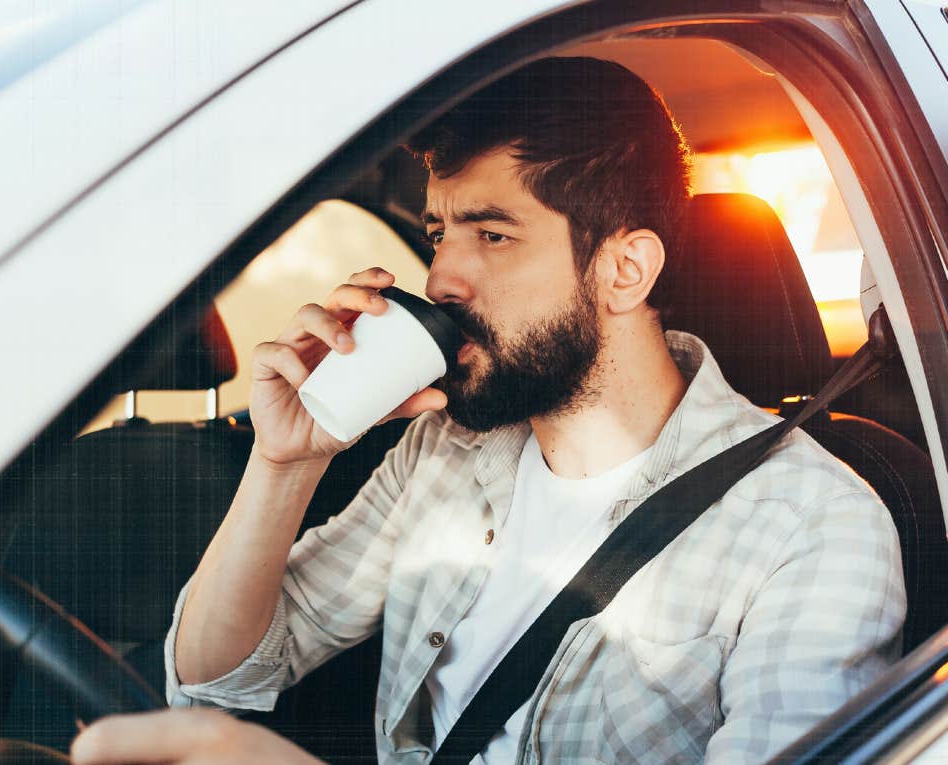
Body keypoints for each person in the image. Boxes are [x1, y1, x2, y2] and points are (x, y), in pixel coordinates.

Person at [72, 56, 905, 764]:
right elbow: (218, 676)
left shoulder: (812, 526)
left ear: (624, 270)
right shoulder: (442, 452)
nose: (440, 280)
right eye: (439, 234)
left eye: (492, 235)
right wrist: (285, 462)